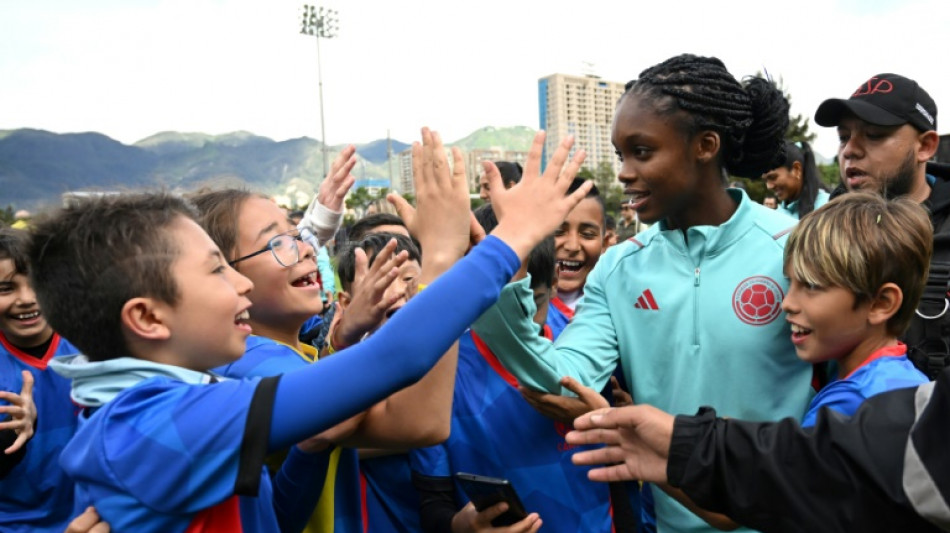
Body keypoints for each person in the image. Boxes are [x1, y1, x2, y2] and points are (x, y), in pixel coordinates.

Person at [38, 128, 590, 531]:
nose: (241, 287)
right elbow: (397, 364)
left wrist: (337, 355)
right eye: (217, 268)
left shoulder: (158, 404)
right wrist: (483, 245)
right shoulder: (163, 418)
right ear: (148, 318)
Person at [471, 53, 812, 533]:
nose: (626, 173)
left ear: (706, 146)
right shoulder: (617, 268)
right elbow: (559, 380)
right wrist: (506, 274)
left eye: (642, 151)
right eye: (621, 155)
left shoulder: (796, 245)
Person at [572, 192, 934, 531]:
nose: (787, 303)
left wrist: (651, 456)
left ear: (881, 303)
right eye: (789, 283)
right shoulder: (896, 384)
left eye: (811, 286)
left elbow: (758, 504)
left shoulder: (855, 406)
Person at [411, 232, 615, 533]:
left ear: (555, 281)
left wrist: (609, 418)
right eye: (497, 308)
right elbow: (433, 504)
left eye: (530, 304)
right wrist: (461, 526)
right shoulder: (439, 372)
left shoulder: (591, 345)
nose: (516, 324)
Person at [810, 72, 950, 378]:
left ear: (925, 146)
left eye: (874, 135)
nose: (850, 150)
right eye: (844, 136)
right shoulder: (817, 235)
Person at [0, 227, 80, 533]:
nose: (27, 299)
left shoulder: (94, 345)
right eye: (5, 289)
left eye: (37, 283)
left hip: (93, 519)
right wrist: (14, 439)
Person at [762, 140, 830, 219]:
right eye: (765, 180)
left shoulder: (829, 208)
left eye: (773, 177)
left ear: (796, 169)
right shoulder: (777, 215)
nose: (769, 186)